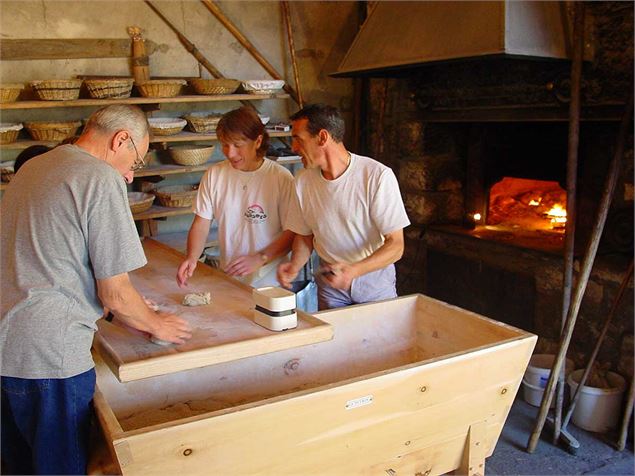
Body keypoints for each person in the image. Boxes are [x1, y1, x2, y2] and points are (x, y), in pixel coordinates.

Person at [0, 104, 192, 475]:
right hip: (49, 358)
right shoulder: (98, 177)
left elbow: (46, 260)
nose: (129, 176)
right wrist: (156, 323)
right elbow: (116, 293)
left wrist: (127, 316)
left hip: (8, 347)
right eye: (134, 163)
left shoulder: (35, 167)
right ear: (121, 140)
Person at [277, 103, 410, 310]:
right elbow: (305, 236)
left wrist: (353, 271)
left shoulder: (376, 176)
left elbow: (396, 245)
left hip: (373, 284)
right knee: (336, 342)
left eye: (298, 139)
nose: (293, 148)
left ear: (322, 137)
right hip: (330, 284)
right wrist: (294, 266)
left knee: (379, 342)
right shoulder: (302, 181)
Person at [177, 106, 299, 288]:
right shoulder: (215, 175)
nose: (230, 153)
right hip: (230, 275)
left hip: (270, 279)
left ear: (257, 141)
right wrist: (192, 257)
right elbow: (201, 222)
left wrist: (260, 258)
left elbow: (293, 232)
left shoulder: (281, 178)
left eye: (237, 145)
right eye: (225, 145)